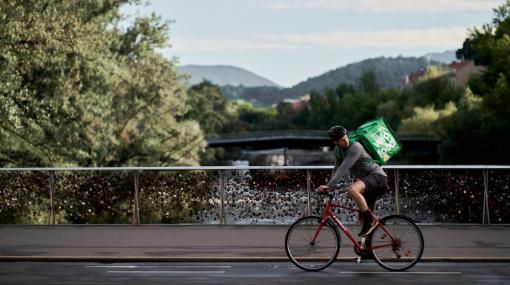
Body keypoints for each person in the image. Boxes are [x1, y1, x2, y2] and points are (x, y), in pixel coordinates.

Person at [316, 125, 388, 237]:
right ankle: (365, 253)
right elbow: (336, 169)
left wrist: (329, 186)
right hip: (367, 180)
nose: (345, 141)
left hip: (378, 177)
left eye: (346, 138)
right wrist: (329, 186)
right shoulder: (338, 151)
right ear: (335, 142)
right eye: (342, 140)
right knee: (362, 219)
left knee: (352, 190)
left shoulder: (355, 147)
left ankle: (371, 220)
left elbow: (343, 168)